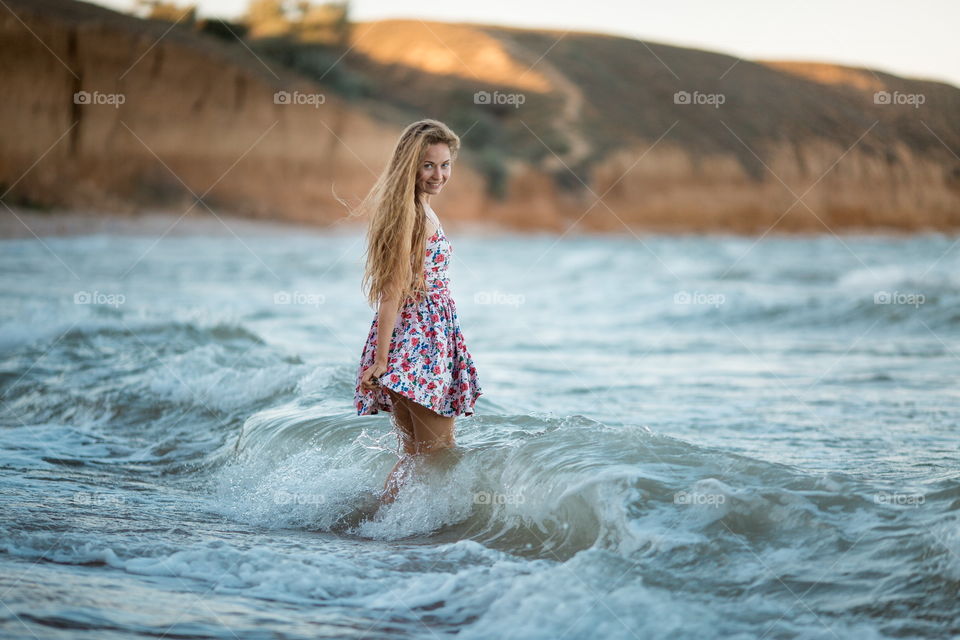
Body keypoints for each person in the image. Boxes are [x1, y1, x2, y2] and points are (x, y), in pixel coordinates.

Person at [353, 119, 483, 506]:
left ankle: (385, 528)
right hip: (420, 346)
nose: (438, 175)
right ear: (410, 166)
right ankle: (397, 528)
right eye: (428, 165)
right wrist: (381, 360)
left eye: (445, 165)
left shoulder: (413, 209)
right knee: (438, 451)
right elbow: (391, 289)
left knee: (416, 455)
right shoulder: (413, 215)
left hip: (420, 340)